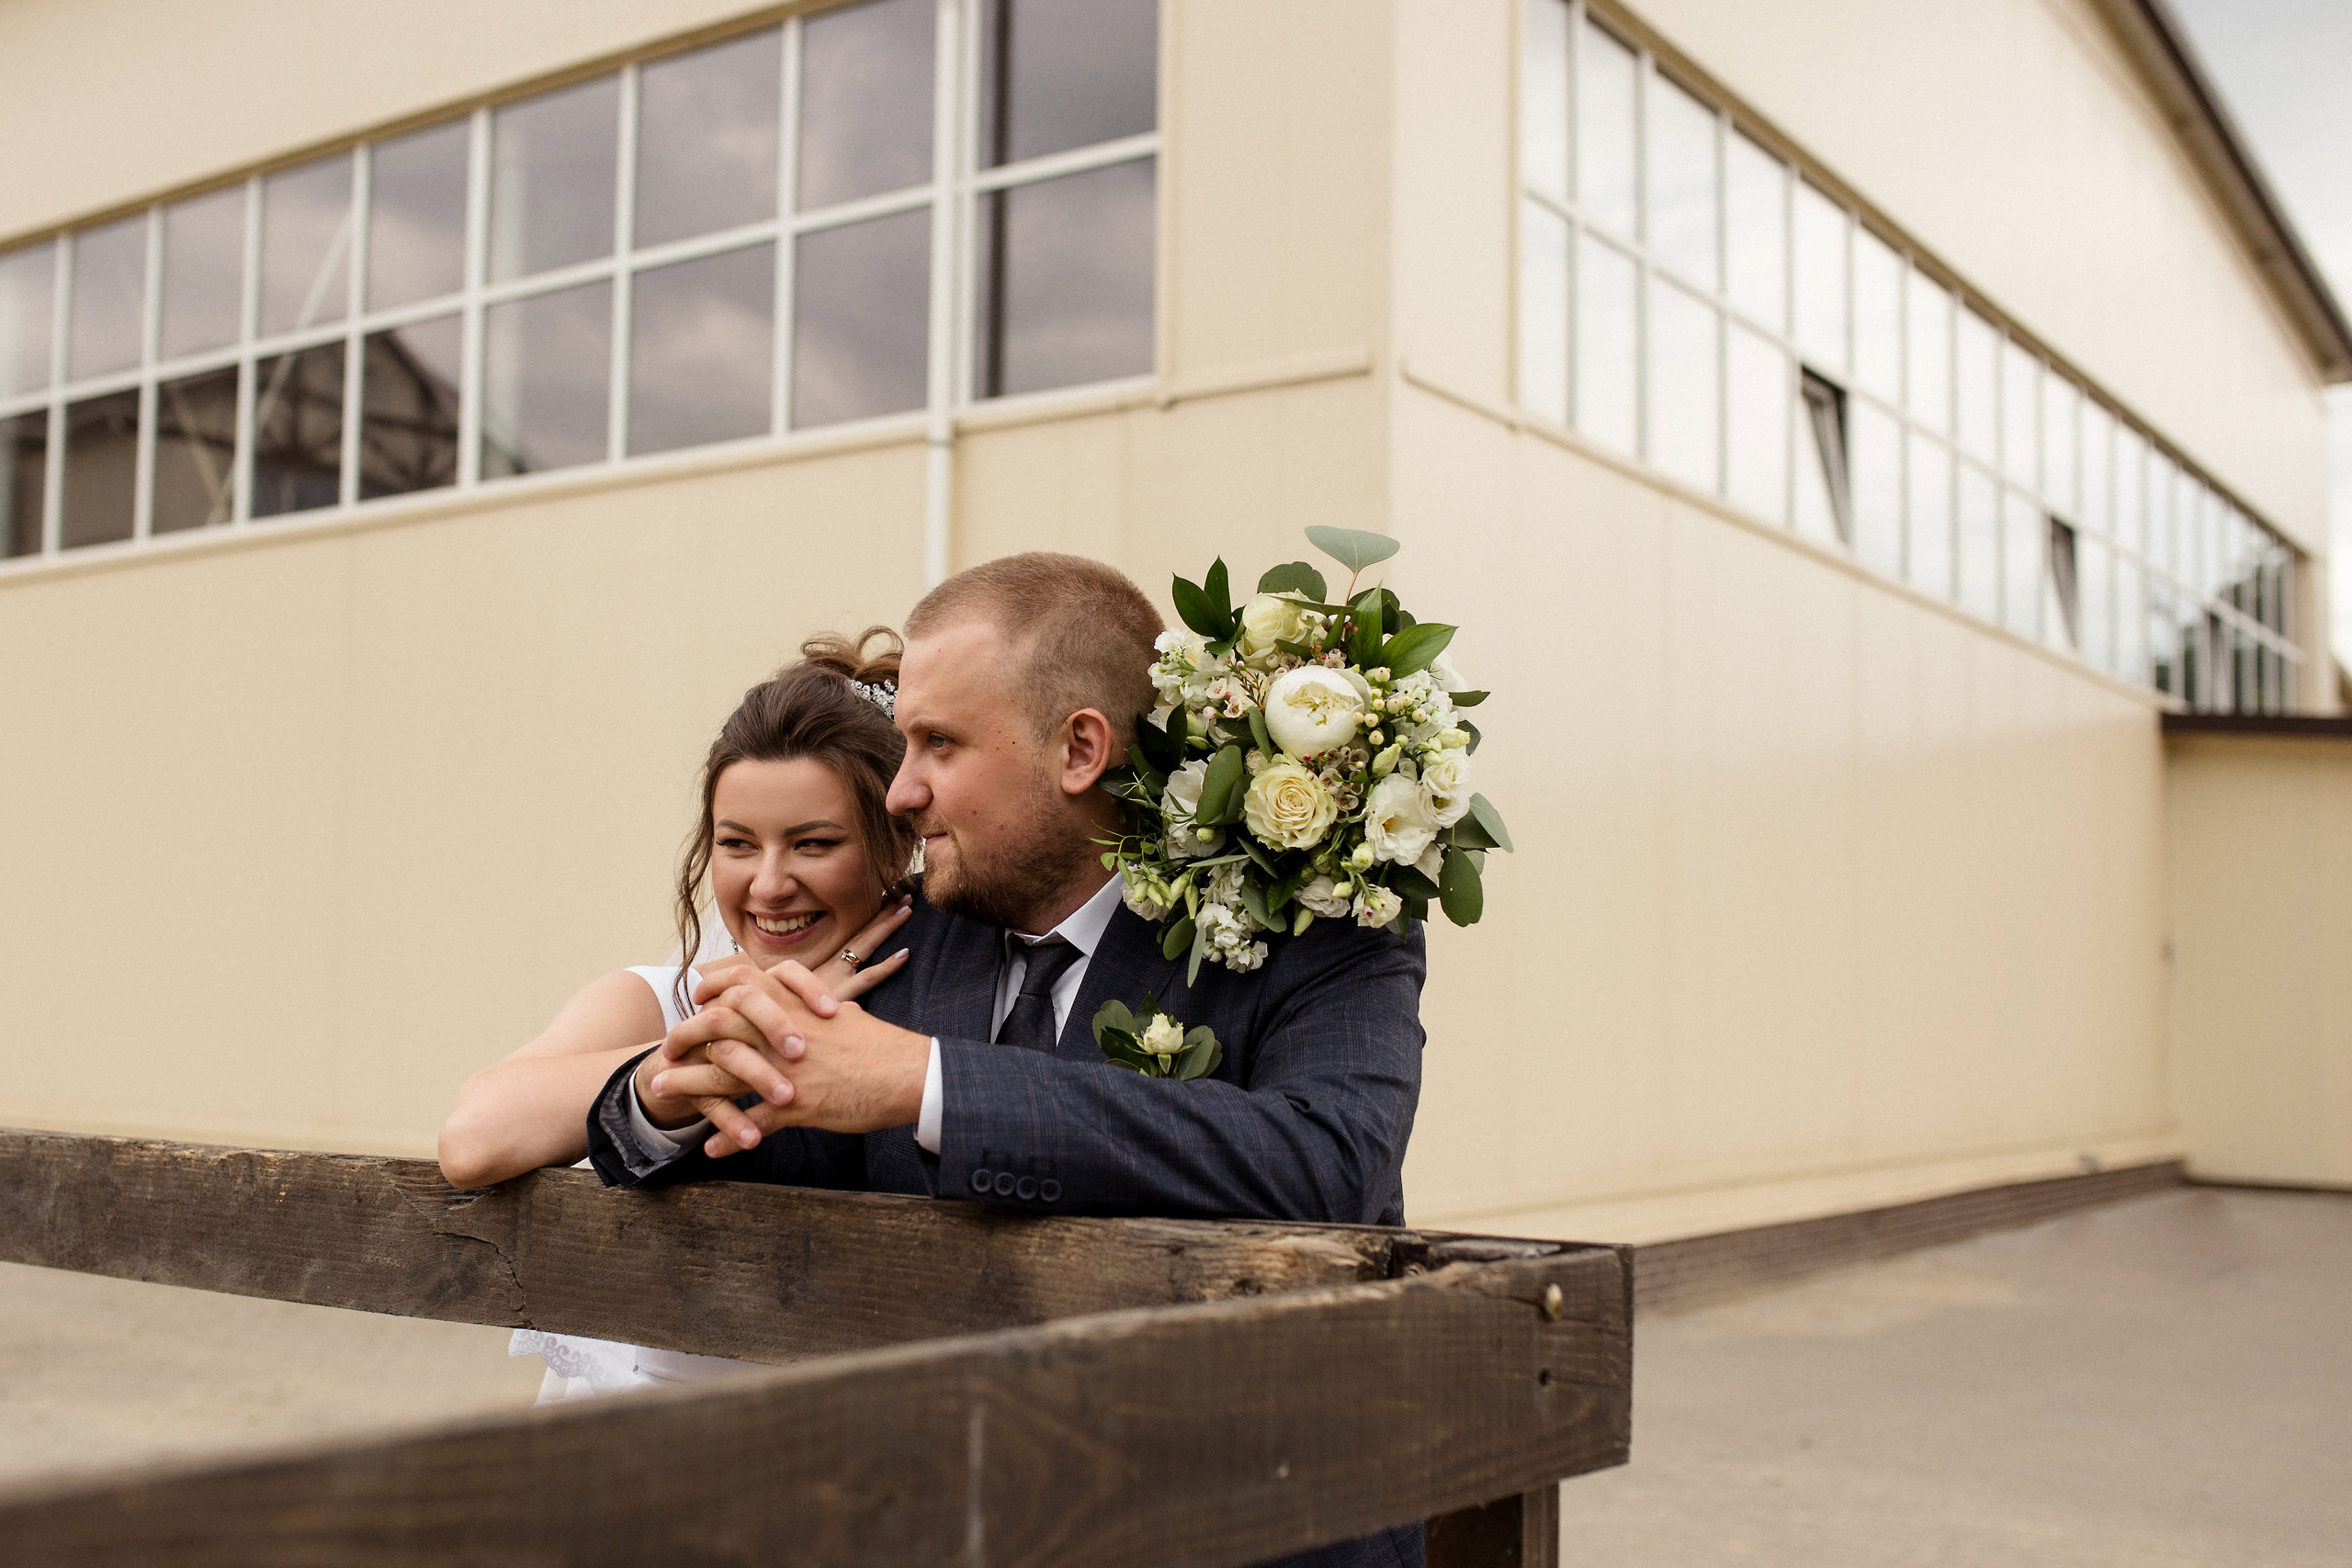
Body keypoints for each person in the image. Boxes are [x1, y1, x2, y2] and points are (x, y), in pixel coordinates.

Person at [586, 555, 1426, 1568]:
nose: (899, 793)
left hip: (1256, 1525)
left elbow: (1328, 1163)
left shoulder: (1314, 928)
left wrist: (928, 1085)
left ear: (1079, 749)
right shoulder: (906, 936)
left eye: (938, 743)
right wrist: (663, 1103)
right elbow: (790, 1153)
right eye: (902, 745)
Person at [437, 629, 918, 1397]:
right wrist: (695, 1055)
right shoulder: (657, 1000)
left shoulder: (926, 1017)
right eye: (737, 843)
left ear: (896, 845)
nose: (767, 884)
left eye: (813, 843)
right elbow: (470, 1139)